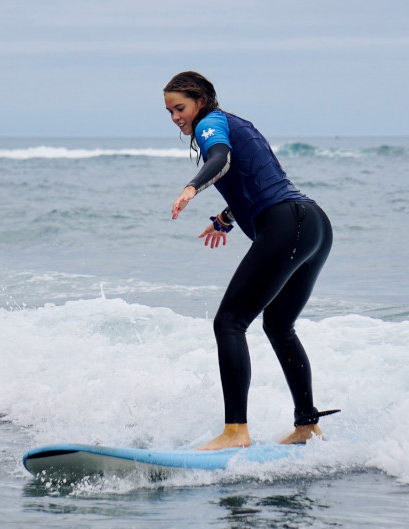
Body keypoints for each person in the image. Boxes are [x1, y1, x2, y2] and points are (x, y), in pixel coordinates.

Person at [164, 71, 337, 450]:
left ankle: (235, 431)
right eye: (170, 111)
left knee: (229, 322)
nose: (176, 117)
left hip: (286, 223)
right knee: (278, 325)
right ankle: (307, 425)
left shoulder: (210, 123)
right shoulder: (238, 123)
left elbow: (222, 159)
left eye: (180, 108)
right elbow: (256, 178)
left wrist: (192, 187)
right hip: (314, 225)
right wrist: (226, 218)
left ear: (201, 101)